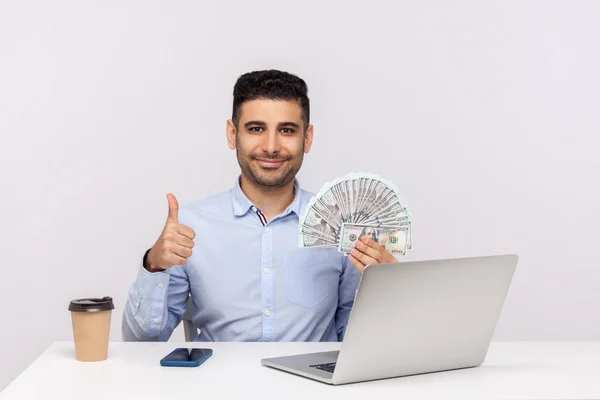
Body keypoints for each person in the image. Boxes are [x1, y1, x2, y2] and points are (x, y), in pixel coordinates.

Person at [122, 69, 398, 343]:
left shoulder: (344, 227)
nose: (270, 146)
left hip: (311, 385)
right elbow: (142, 342)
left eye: (287, 130)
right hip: (217, 385)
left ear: (307, 138)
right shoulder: (191, 227)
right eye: (256, 129)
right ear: (232, 134)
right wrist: (154, 264)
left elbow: (357, 343)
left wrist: (389, 289)